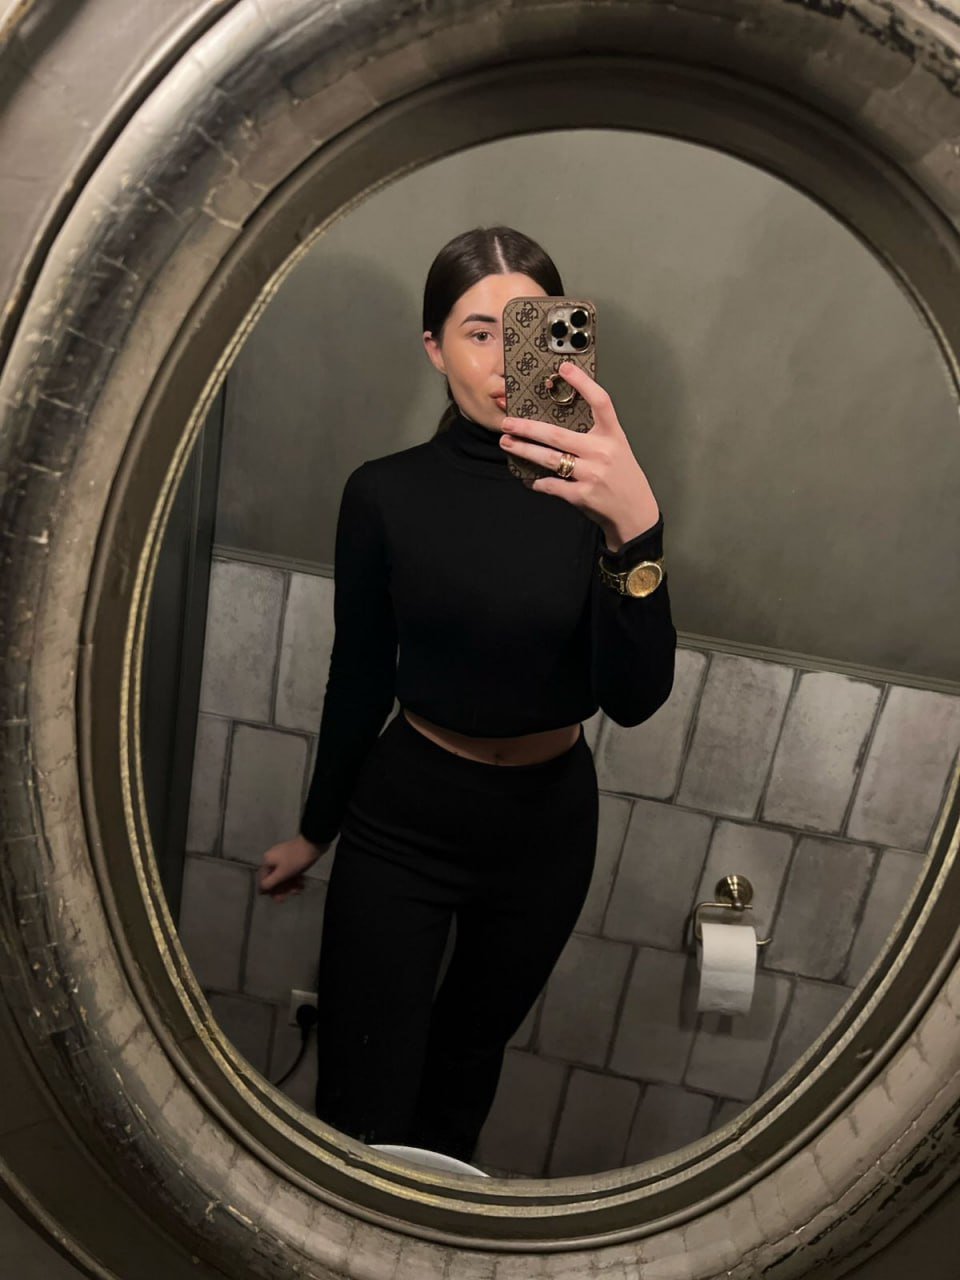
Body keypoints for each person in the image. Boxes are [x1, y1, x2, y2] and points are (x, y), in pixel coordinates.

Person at [257, 225, 677, 1162]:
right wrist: (316, 830)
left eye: (525, 330)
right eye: (478, 332)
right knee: (362, 1083)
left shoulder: (602, 495)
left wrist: (636, 531)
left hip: (543, 830)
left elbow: (634, 697)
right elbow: (359, 674)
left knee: (463, 1075)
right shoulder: (383, 494)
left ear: (562, 342)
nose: (501, 360)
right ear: (434, 348)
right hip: (405, 816)